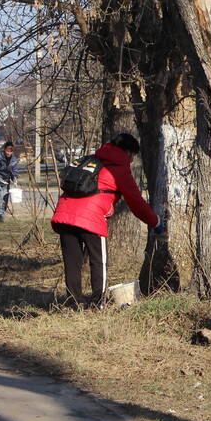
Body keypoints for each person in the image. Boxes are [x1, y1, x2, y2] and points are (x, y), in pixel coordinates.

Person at [50, 132, 163, 308]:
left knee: (72, 262)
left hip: (64, 215)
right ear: (127, 153)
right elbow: (136, 203)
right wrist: (156, 222)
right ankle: (98, 303)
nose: (132, 161)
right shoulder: (118, 168)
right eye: (132, 156)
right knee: (98, 261)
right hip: (90, 218)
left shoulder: (91, 160)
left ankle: (73, 303)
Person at [0, 141, 21, 222]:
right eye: (7, 150)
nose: (9, 153)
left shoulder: (14, 159)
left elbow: (15, 170)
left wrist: (14, 178)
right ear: (4, 149)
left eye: (11, 151)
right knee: (0, 193)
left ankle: (2, 216)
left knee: (5, 198)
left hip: (6, 181)